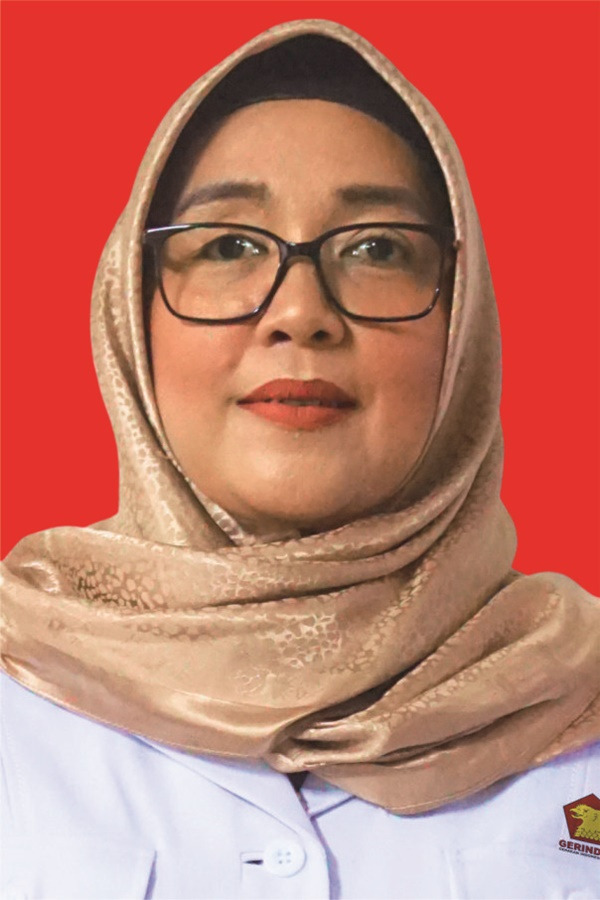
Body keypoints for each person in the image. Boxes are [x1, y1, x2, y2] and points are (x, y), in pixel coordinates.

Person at [1, 18, 598, 900]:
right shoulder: (22, 691)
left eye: (377, 249)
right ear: (132, 315)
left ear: (461, 325)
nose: (300, 313)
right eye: (229, 246)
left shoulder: (576, 699)